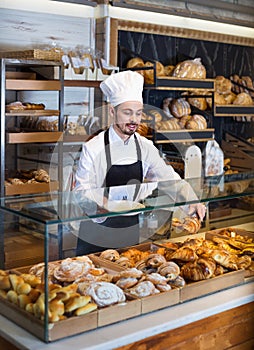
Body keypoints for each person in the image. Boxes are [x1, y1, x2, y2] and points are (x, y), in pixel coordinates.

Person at [74, 70, 206, 255]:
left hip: (130, 231)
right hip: (96, 234)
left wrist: (192, 201)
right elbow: (80, 191)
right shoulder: (93, 147)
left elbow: (169, 180)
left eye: (138, 113)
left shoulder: (145, 147)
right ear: (112, 111)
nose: (134, 120)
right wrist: (101, 204)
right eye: (127, 113)